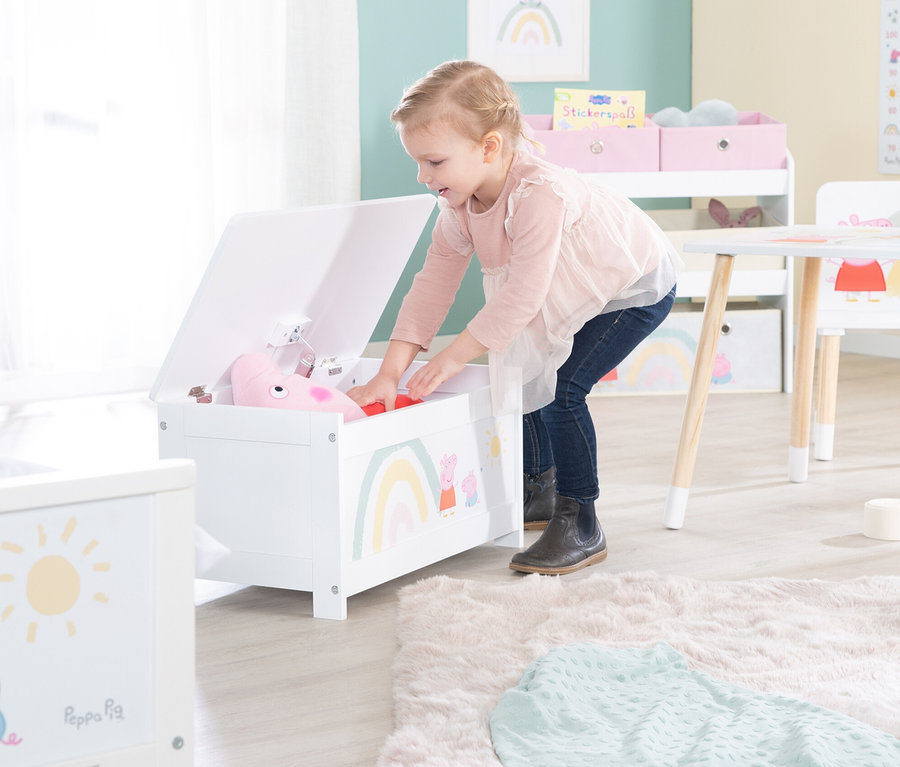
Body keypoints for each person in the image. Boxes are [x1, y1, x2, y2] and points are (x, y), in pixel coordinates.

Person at [347, 60, 679, 575]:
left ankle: (580, 518)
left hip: (629, 289)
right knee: (522, 372)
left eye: (434, 162)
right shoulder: (458, 204)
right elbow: (433, 283)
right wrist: (390, 372)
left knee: (562, 388)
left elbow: (523, 294)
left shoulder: (539, 195)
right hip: (558, 290)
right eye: (418, 163)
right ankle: (537, 487)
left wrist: (455, 356)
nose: (423, 177)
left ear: (489, 147)